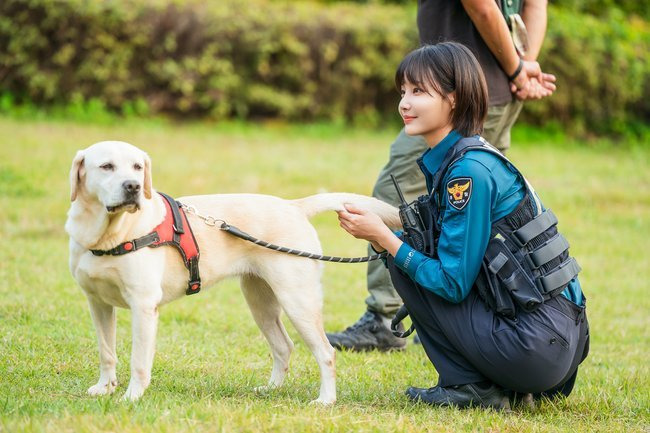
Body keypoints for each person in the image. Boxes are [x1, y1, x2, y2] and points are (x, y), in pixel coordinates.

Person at [335, 42, 589, 410]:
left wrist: (384, 239)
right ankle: (495, 382)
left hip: (538, 348)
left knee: (404, 259)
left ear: (454, 98)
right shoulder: (472, 154)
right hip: (557, 342)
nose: (404, 103)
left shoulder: (467, 173)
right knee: (413, 248)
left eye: (418, 91)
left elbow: (452, 284)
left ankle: (472, 387)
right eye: (403, 91)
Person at [327, 0, 557, 351]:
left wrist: (516, 69)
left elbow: (481, 7)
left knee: (399, 196)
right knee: (478, 215)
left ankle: (384, 319)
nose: (401, 100)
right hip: (496, 88)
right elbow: (535, 6)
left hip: (457, 90)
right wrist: (522, 66)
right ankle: (475, 312)